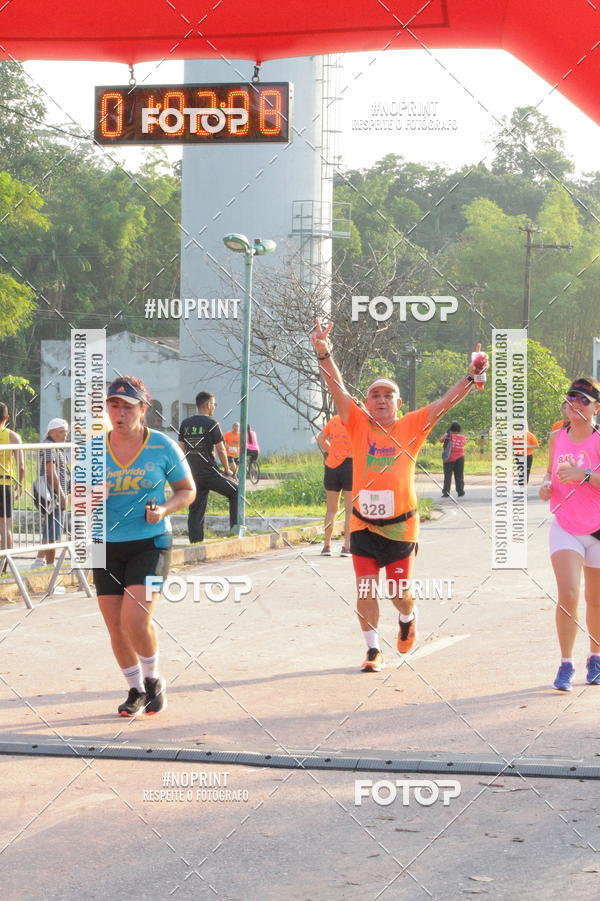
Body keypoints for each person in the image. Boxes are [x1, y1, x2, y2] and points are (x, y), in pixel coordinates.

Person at [311, 319, 488, 672]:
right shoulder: (357, 422)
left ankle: (408, 616)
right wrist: (322, 350)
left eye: (387, 394)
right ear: (366, 402)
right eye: (375, 394)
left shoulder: (412, 425)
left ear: (398, 402)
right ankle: (372, 649)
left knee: (397, 593)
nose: (381, 399)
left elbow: (444, 403)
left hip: (401, 526)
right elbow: (336, 386)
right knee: (365, 589)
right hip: (362, 523)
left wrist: (471, 376)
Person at [93, 376, 195, 716]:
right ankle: (135, 689)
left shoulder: (162, 446)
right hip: (103, 544)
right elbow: (72, 499)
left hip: (151, 543)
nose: (119, 413)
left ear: (143, 409)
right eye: (113, 405)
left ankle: (153, 679)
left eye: (128, 406)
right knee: (114, 625)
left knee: (134, 619)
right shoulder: (94, 449)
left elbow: (187, 490)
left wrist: (164, 509)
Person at [538, 377, 600, 691]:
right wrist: (546, 485)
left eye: (584, 400)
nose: (576, 405)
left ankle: (596, 656)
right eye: (571, 398)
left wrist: (586, 475)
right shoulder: (555, 437)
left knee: (596, 599)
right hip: (565, 526)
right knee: (569, 595)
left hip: (598, 530)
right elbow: (550, 472)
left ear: (596, 408)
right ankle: (566, 663)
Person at [178, 391, 238, 543]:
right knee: (237, 492)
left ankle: (195, 543)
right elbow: (221, 449)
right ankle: (236, 531)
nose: (214, 407)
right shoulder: (212, 423)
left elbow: (180, 449)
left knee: (196, 509)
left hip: (192, 474)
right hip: (210, 472)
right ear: (207, 404)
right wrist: (227, 469)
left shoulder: (185, 424)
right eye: (214, 404)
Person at [30, 418, 70, 569]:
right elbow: (50, 470)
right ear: (51, 432)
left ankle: (39, 562)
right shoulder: (49, 446)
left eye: (66, 432)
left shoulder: (56, 446)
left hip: (55, 494)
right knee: (53, 533)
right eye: (61, 432)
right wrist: (60, 493)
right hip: (53, 495)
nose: (65, 435)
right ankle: (50, 568)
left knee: (50, 530)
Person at [316, 414, 353, 556]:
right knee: (349, 509)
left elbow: (320, 439)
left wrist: (333, 451)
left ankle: (327, 545)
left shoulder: (335, 420)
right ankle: (346, 546)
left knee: (331, 509)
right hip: (351, 464)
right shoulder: (358, 420)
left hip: (332, 465)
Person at [0, 403, 25, 567]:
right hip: (5, 483)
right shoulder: (12, 436)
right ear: (7, 417)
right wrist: (20, 485)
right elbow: (22, 466)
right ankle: (6, 564)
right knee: (5, 526)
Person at [440, 422, 467, 498]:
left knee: (448, 475)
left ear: (451, 428)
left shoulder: (448, 436)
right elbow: (464, 444)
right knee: (459, 475)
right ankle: (460, 491)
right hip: (460, 458)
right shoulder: (463, 437)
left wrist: (447, 433)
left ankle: (446, 492)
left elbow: (441, 440)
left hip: (449, 458)